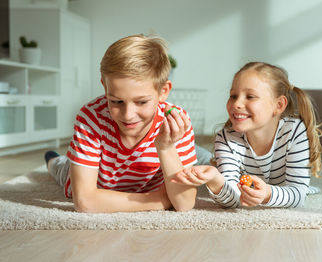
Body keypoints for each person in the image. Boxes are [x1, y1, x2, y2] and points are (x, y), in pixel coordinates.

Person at [45, 34, 211, 213]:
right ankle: (53, 159)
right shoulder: (91, 117)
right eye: (116, 101)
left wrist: (165, 147)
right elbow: (85, 202)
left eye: (141, 102)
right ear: (105, 87)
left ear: (164, 91)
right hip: (94, 175)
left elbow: (184, 204)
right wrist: (160, 200)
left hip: (127, 182)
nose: (128, 115)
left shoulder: (175, 121)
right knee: (60, 167)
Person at [171, 62, 322, 208]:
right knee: (199, 159)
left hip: (274, 184)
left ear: (279, 105)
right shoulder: (226, 138)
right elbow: (232, 199)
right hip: (215, 159)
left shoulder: (294, 131)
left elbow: (298, 194)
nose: (237, 103)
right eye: (233, 96)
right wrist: (215, 179)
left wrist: (267, 194)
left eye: (250, 96)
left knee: (203, 158)